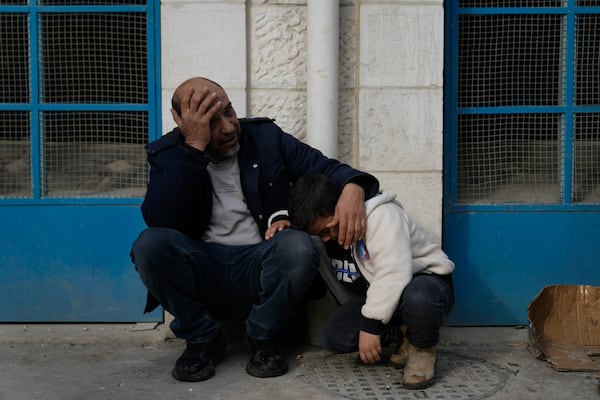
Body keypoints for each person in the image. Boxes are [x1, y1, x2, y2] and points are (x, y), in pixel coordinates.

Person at [129, 77, 380, 382]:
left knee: (298, 246)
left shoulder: (265, 138)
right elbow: (160, 221)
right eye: (210, 121)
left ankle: (263, 337)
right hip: (204, 266)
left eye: (229, 112)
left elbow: (327, 168)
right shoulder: (169, 154)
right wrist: (193, 149)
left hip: (260, 262)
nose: (228, 127)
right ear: (182, 123)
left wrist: (353, 188)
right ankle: (202, 338)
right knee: (149, 245)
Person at [288, 174, 455, 390]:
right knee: (335, 336)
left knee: (419, 298)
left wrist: (371, 326)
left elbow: (393, 272)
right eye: (320, 234)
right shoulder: (329, 233)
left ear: (341, 206)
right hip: (385, 295)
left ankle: (422, 349)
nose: (327, 237)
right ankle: (405, 335)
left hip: (428, 284)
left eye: (328, 229)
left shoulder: (381, 215)